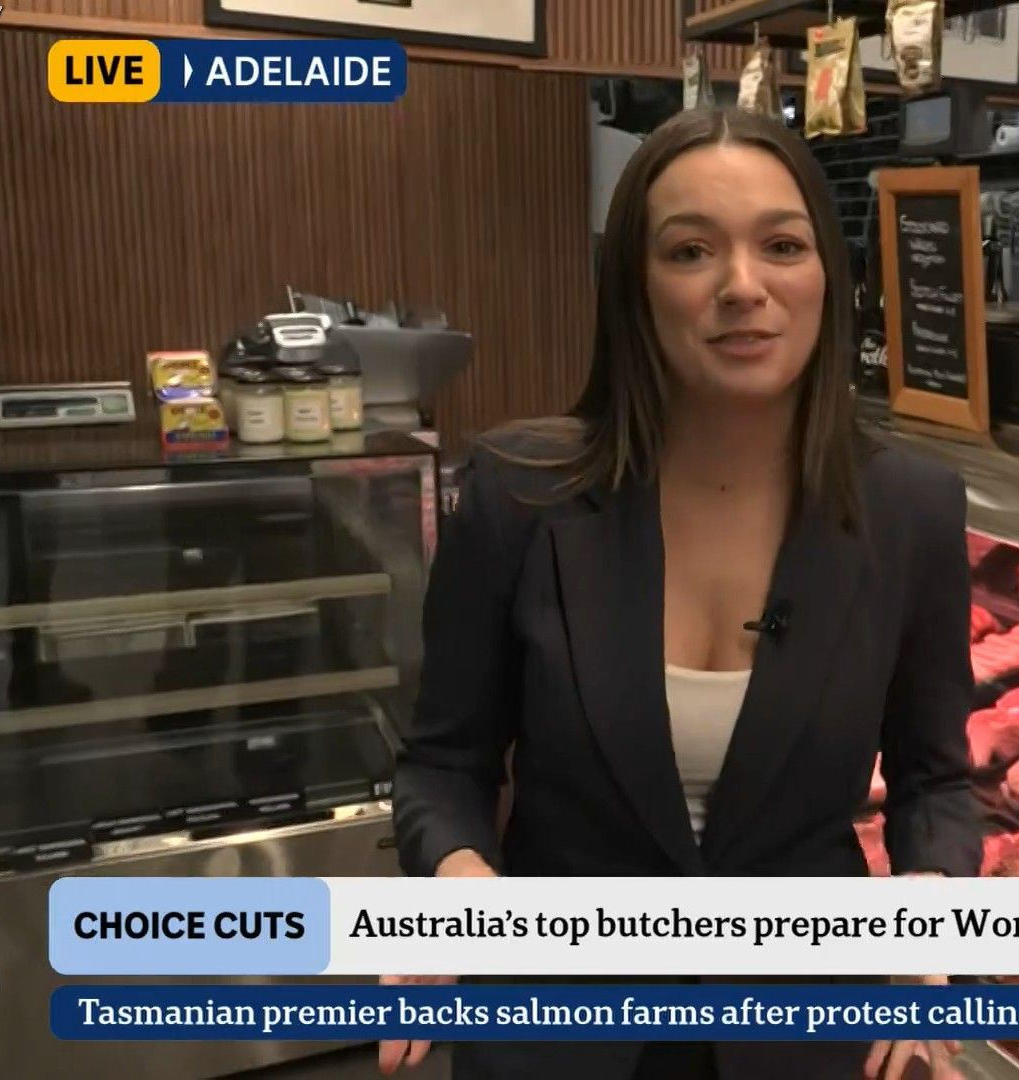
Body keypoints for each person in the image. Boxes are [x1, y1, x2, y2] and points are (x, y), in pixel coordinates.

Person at [381, 108, 981, 1080]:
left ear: (828, 276)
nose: (743, 285)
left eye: (782, 246)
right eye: (691, 250)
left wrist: (928, 910)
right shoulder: (518, 494)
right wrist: (458, 879)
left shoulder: (910, 511)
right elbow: (444, 765)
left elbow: (935, 780)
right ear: (633, 288)